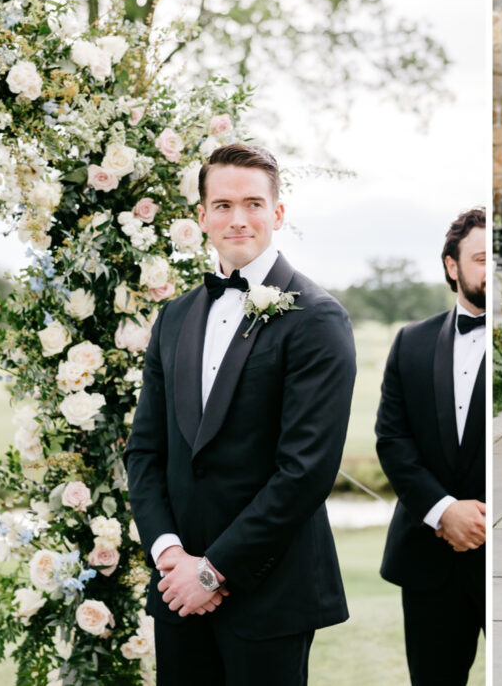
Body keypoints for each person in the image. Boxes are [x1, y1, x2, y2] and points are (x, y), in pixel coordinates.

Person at [124, 143, 356, 684]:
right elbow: (145, 450)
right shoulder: (175, 316)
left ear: (277, 213)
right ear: (201, 216)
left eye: (253, 203)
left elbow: (305, 471)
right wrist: (171, 556)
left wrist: (213, 570)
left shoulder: (318, 318)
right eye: (223, 205)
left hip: (270, 591)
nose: (238, 219)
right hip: (176, 590)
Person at [375, 208, 486, 685]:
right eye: (482, 259)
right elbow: (392, 440)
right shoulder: (410, 343)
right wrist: (443, 511)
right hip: (428, 557)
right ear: (451, 266)